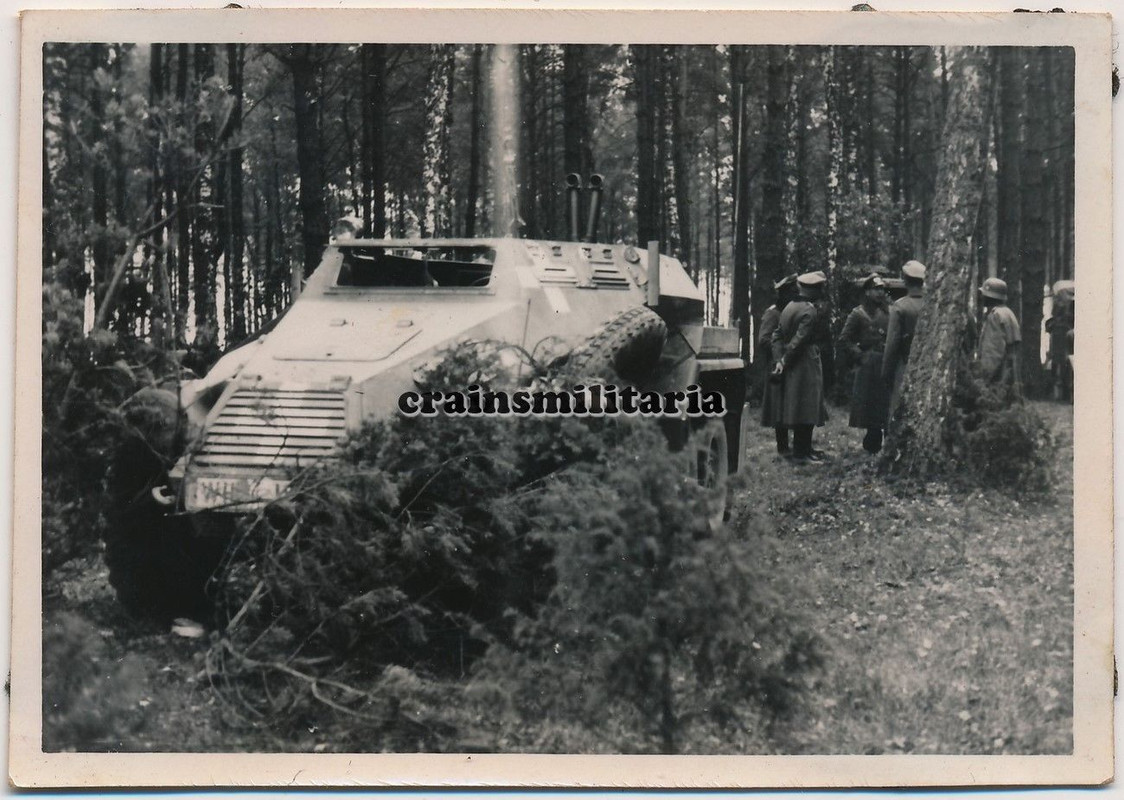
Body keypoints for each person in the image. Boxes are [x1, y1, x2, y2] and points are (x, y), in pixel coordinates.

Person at [771, 271, 829, 463]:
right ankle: (801, 453)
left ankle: (805, 449)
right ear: (811, 290)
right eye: (818, 288)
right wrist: (785, 358)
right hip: (805, 362)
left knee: (799, 406)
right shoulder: (809, 310)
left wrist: (780, 359)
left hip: (793, 363)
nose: (821, 291)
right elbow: (799, 340)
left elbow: (777, 335)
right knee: (807, 406)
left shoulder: (789, 307)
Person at [839, 273, 890, 454]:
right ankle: (872, 442)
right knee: (870, 405)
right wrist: (860, 355)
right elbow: (844, 339)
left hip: (885, 363)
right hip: (868, 365)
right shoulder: (857, 314)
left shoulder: (888, 312)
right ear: (867, 292)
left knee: (886, 404)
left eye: (882, 289)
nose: (880, 293)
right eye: (876, 289)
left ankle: (886, 443)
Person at [758, 274, 798, 455]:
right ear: (781, 294)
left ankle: (799, 446)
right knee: (779, 407)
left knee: (794, 404)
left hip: (792, 364)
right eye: (789, 292)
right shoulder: (773, 313)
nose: (792, 296)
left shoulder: (793, 311)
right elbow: (764, 339)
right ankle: (782, 447)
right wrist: (781, 349)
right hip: (777, 366)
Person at [882, 260, 926, 415]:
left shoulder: (900, 306)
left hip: (905, 366)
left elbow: (892, 344)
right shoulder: (932, 304)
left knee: (899, 411)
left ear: (905, 280)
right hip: (930, 368)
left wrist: (886, 374)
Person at [976, 277, 1022, 393]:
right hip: (1009, 374)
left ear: (991, 297)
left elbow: (992, 352)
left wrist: (983, 380)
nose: (982, 298)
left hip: (997, 378)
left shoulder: (995, 316)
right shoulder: (1007, 313)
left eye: (985, 294)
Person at [1045, 280, 1074, 402]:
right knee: (1061, 362)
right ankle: (1062, 392)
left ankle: (1062, 392)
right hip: (1061, 334)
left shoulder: (1066, 305)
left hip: (1062, 335)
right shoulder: (1068, 305)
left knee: (1062, 363)